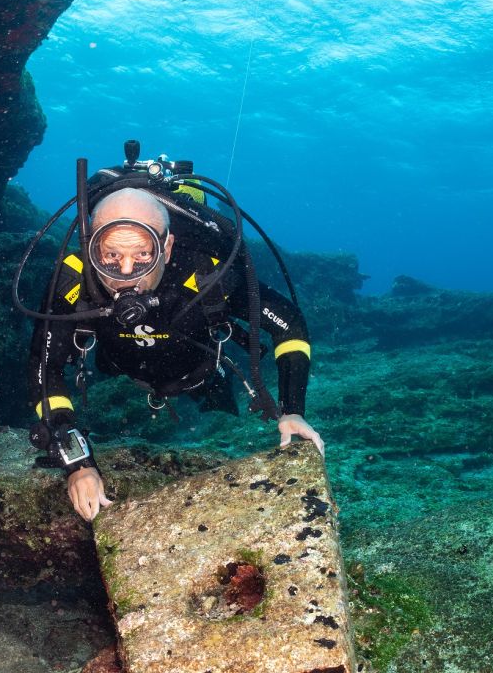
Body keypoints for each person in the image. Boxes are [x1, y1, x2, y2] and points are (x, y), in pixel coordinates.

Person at [27, 185, 323, 522]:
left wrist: (293, 410)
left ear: (166, 247)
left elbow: (288, 323)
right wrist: (77, 463)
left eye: (143, 254)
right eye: (110, 256)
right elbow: (43, 365)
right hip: (121, 368)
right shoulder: (73, 277)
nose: (127, 274)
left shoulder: (206, 271)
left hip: (199, 370)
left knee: (218, 403)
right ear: (90, 248)